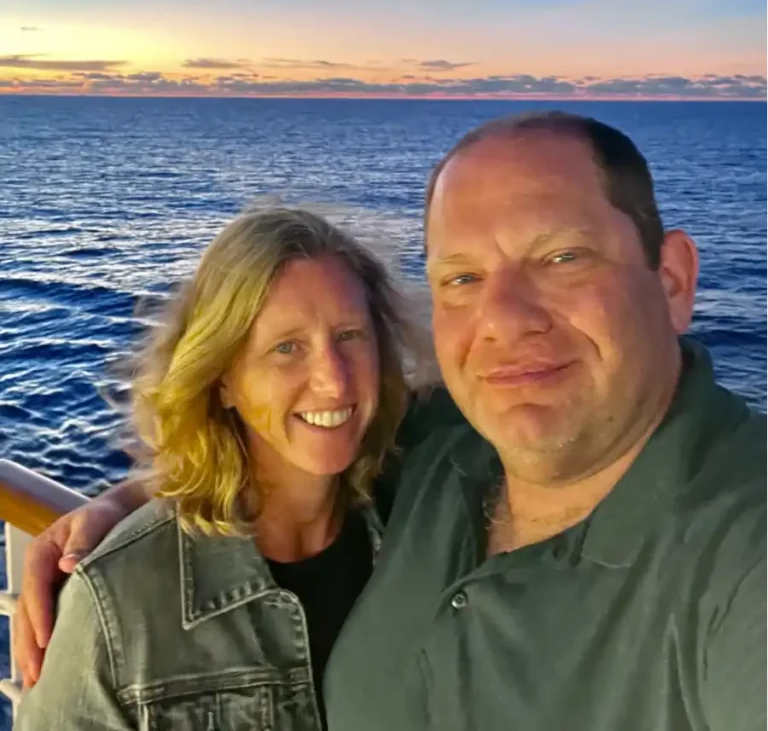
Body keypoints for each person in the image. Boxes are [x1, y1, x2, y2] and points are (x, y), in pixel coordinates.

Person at [15, 112, 768, 731]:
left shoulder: (737, 549)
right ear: (224, 381)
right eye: (464, 279)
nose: (504, 322)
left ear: (671, 281)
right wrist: (129, 509)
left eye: (563, 257)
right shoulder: (452, 448)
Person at [14, 205, 426, 730]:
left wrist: (121, 496)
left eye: (350, 335)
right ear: (223, 379)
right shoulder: (121, 604)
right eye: (287, 348)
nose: (335, 381)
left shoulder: (420, 518)